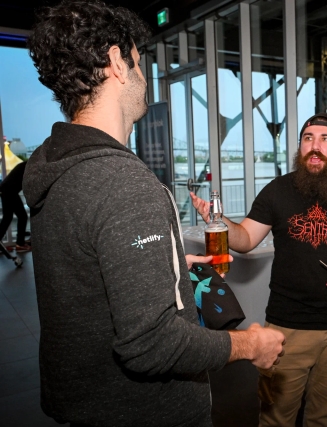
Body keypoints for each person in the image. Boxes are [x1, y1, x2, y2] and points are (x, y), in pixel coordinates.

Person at [24, 1, 285, 426]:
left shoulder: (55, 169)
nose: (144, 78)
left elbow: (82, 275)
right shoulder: (122, 183)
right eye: (139, 63)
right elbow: (150, 344)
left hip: (90, 406)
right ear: (116, 63)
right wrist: (248, 345)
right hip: (147, 413)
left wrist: (162, 268)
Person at [190, 112, 327, 426]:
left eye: (325, 139)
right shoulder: (278, 191)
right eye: (308, 138)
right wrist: (219, 220)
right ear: (300, 146)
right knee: (276, 417)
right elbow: (246, 239)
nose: (315, 146)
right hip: (286, 328)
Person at [0, 161, 30, 252]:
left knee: (7, 218)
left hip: (5, 189)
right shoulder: (29, 167)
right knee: (22, 216)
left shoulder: (25, 165)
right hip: (10, 191)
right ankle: (20, 244)